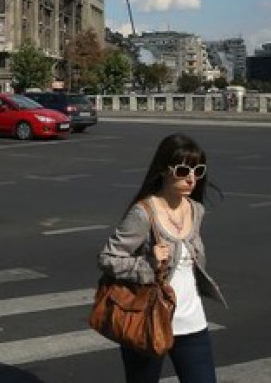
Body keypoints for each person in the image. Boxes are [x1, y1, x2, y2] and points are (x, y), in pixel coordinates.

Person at [97, 133, 226, 383]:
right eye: (182, 170)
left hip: (192, 324)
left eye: (197, 170)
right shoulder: (144, 213)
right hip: (148, 322)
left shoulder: (196, 210)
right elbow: (107, 258)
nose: (191, 178)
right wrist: (147, 265)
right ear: (164, 170)